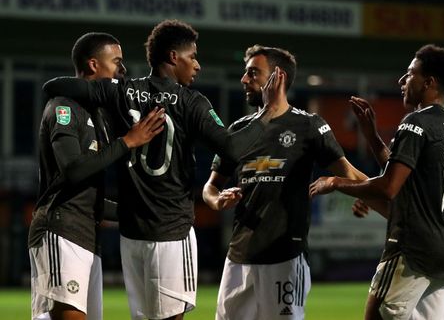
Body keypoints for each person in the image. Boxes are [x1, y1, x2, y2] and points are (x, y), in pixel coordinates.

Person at [42, 20, 282, 320]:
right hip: (170, 230)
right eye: (192, 56)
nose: (197, 65)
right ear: (173, 57)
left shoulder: (123, 90)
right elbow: (232, 149)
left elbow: (56, 86)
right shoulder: (191, 101)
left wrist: (103, 87)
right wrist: (268, 113)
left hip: (131, 237)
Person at [202, 45, 367, 320]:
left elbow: (351, 173)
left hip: (284, 257)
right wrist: (216, 200)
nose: (244, 79)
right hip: (238, 259)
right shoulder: (239, 130)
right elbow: (210, 187)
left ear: (276, 77)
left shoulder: (309, 126)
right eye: (245, 73)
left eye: (253, 73)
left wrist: (367, 193)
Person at [309, 44, 444, 320]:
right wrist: (371, 135)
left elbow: (389, 186)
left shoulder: (414, 122)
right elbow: (403, 175)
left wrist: (335, 182)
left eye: (410, 74)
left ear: (428, 82)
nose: (402, 81)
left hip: (413, 250)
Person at [28, 33, 165, 320]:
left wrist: (139, 212)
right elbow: (74, 170)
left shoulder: (99, 115)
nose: (122, 69)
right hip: (60, 228)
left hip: (87, 234)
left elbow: (91, 198)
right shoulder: (63, 107)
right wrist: (126, 142)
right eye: (116, 62)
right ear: (93, 64)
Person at [349, 97, 444, 220]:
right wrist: (371, 197)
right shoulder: (402, 140)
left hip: (443, 230)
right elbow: (390, 184)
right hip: (407, 231)